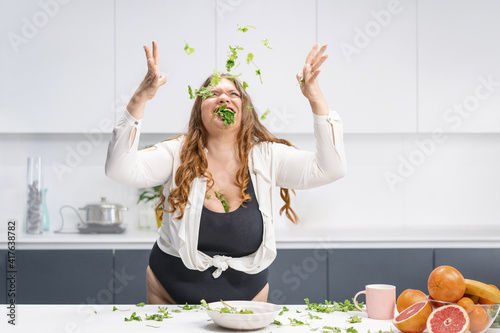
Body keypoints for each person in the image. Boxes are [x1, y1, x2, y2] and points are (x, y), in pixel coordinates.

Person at [105, 41, 346, 304]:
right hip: (170, 292)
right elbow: (119, 170)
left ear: (244, 110)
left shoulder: (267, 156)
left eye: (234, 94)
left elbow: (330, 168)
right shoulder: (176, 153)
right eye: (213, 93)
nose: (223, 97)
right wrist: (140, 97)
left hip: (247, 297)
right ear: (199, 110)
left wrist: (315, 97)